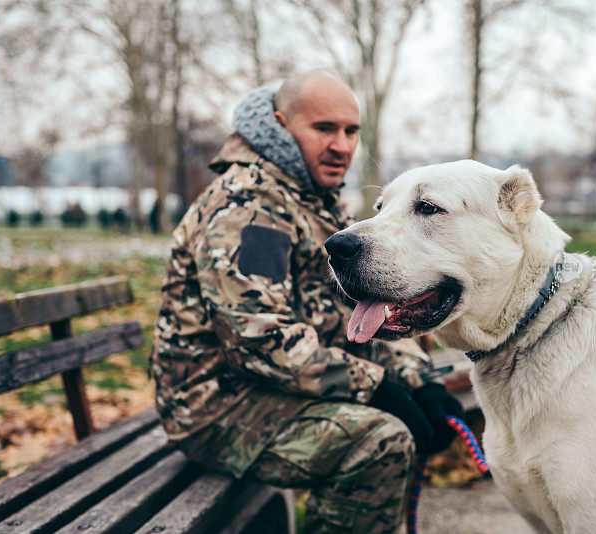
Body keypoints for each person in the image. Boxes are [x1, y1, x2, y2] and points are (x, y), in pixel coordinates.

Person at [151, 69, 464, 533]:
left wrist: (420, 383)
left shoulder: (315, 200)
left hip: (280, 388)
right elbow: (258, 336)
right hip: (216, 407)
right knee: (378, 442)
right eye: (323, 128)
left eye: (350, 130)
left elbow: (372, 307)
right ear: (280, 125)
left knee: (394, 424)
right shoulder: (250, 207)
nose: (341, 145)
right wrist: (376, 388)